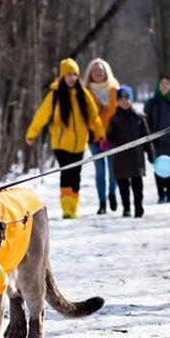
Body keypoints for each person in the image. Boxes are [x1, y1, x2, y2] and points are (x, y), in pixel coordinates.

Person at [26, 58, 106, 219]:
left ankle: (73, 206)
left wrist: (101, 134)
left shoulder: (84, 94)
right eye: (68, 74)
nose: (71, 78)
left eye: (74, 74)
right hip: (61, 143)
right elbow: (42, 115)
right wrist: (31, 134)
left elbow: (94, 117)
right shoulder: (55, 94)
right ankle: (66, 208)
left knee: (76, 175)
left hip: (79, 144)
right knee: (67, 172)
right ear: (62, 76)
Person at [107, 85, 155, 218]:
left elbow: (147, 137)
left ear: (131, 99)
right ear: (117, 101)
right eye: (121, 99)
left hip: (136, 156)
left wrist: (151, 154)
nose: (124, 101)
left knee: (137, 184)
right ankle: (126, 207)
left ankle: (138, 206)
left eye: (126, 98)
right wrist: (107, 140)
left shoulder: (139, 117)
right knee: (123, 184)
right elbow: (110, 137)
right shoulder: (114, 119)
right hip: (121, 157)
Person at [82, 58, 120, 214]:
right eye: (95, 70)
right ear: (90, 73)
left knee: (113, 170)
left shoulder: (115, 89)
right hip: (94, 138)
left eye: (101, 70)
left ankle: (112, 193)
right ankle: (102, 203)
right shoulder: (85, 92)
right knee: (100, 171)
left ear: (106, 72)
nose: (98, 73)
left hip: (112, 137)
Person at [144, 75, 170, 203]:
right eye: (162, 84)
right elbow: (146, 123)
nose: (164, 86)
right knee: (158, 168)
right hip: (156, 142)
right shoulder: (151, 103)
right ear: (158, 86)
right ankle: (161, 194)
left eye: (167, 84)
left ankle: (169, 193)